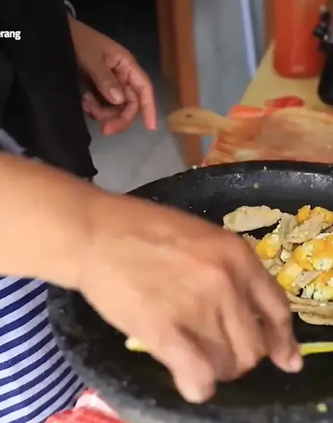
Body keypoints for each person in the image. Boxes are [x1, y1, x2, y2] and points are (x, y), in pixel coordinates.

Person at [0, 2, 301, 423]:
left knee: (91, 373)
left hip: (57, 207)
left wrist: (41, 31)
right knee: (46, 404)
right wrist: (91, 235)